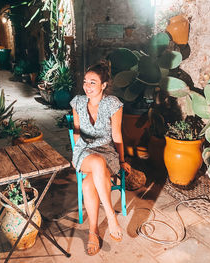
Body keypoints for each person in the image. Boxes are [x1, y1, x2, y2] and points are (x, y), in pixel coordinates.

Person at [70, 60, 131, 256]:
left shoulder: (112, 104)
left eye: (93, 82)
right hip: (84, 152)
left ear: (104, 85)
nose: (87, 86)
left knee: (89, 184)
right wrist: (78, 150)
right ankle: (111, 216)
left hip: (107, 152)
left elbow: (116, 136)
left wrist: (121, 161)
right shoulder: (78, 102)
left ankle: (93, 232)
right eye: (86, 81)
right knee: (95, 162)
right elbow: (77, 132)